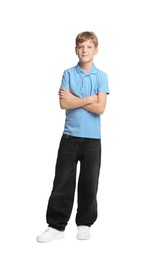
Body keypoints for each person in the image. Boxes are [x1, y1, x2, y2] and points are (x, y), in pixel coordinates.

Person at [36, 31, 110, 243]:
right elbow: (63, 104)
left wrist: (75, 99)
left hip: (92, 140)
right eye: (81, 47)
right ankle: (56, 226)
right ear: (76, 49)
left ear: (96, 50)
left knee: (89, 182)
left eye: (88, 47)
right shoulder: (68, 73)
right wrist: (89, 98)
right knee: (62, 181)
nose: (84, 50)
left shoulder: (101, 76)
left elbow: (101, 108)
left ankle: (85, 223)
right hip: (69, 137)